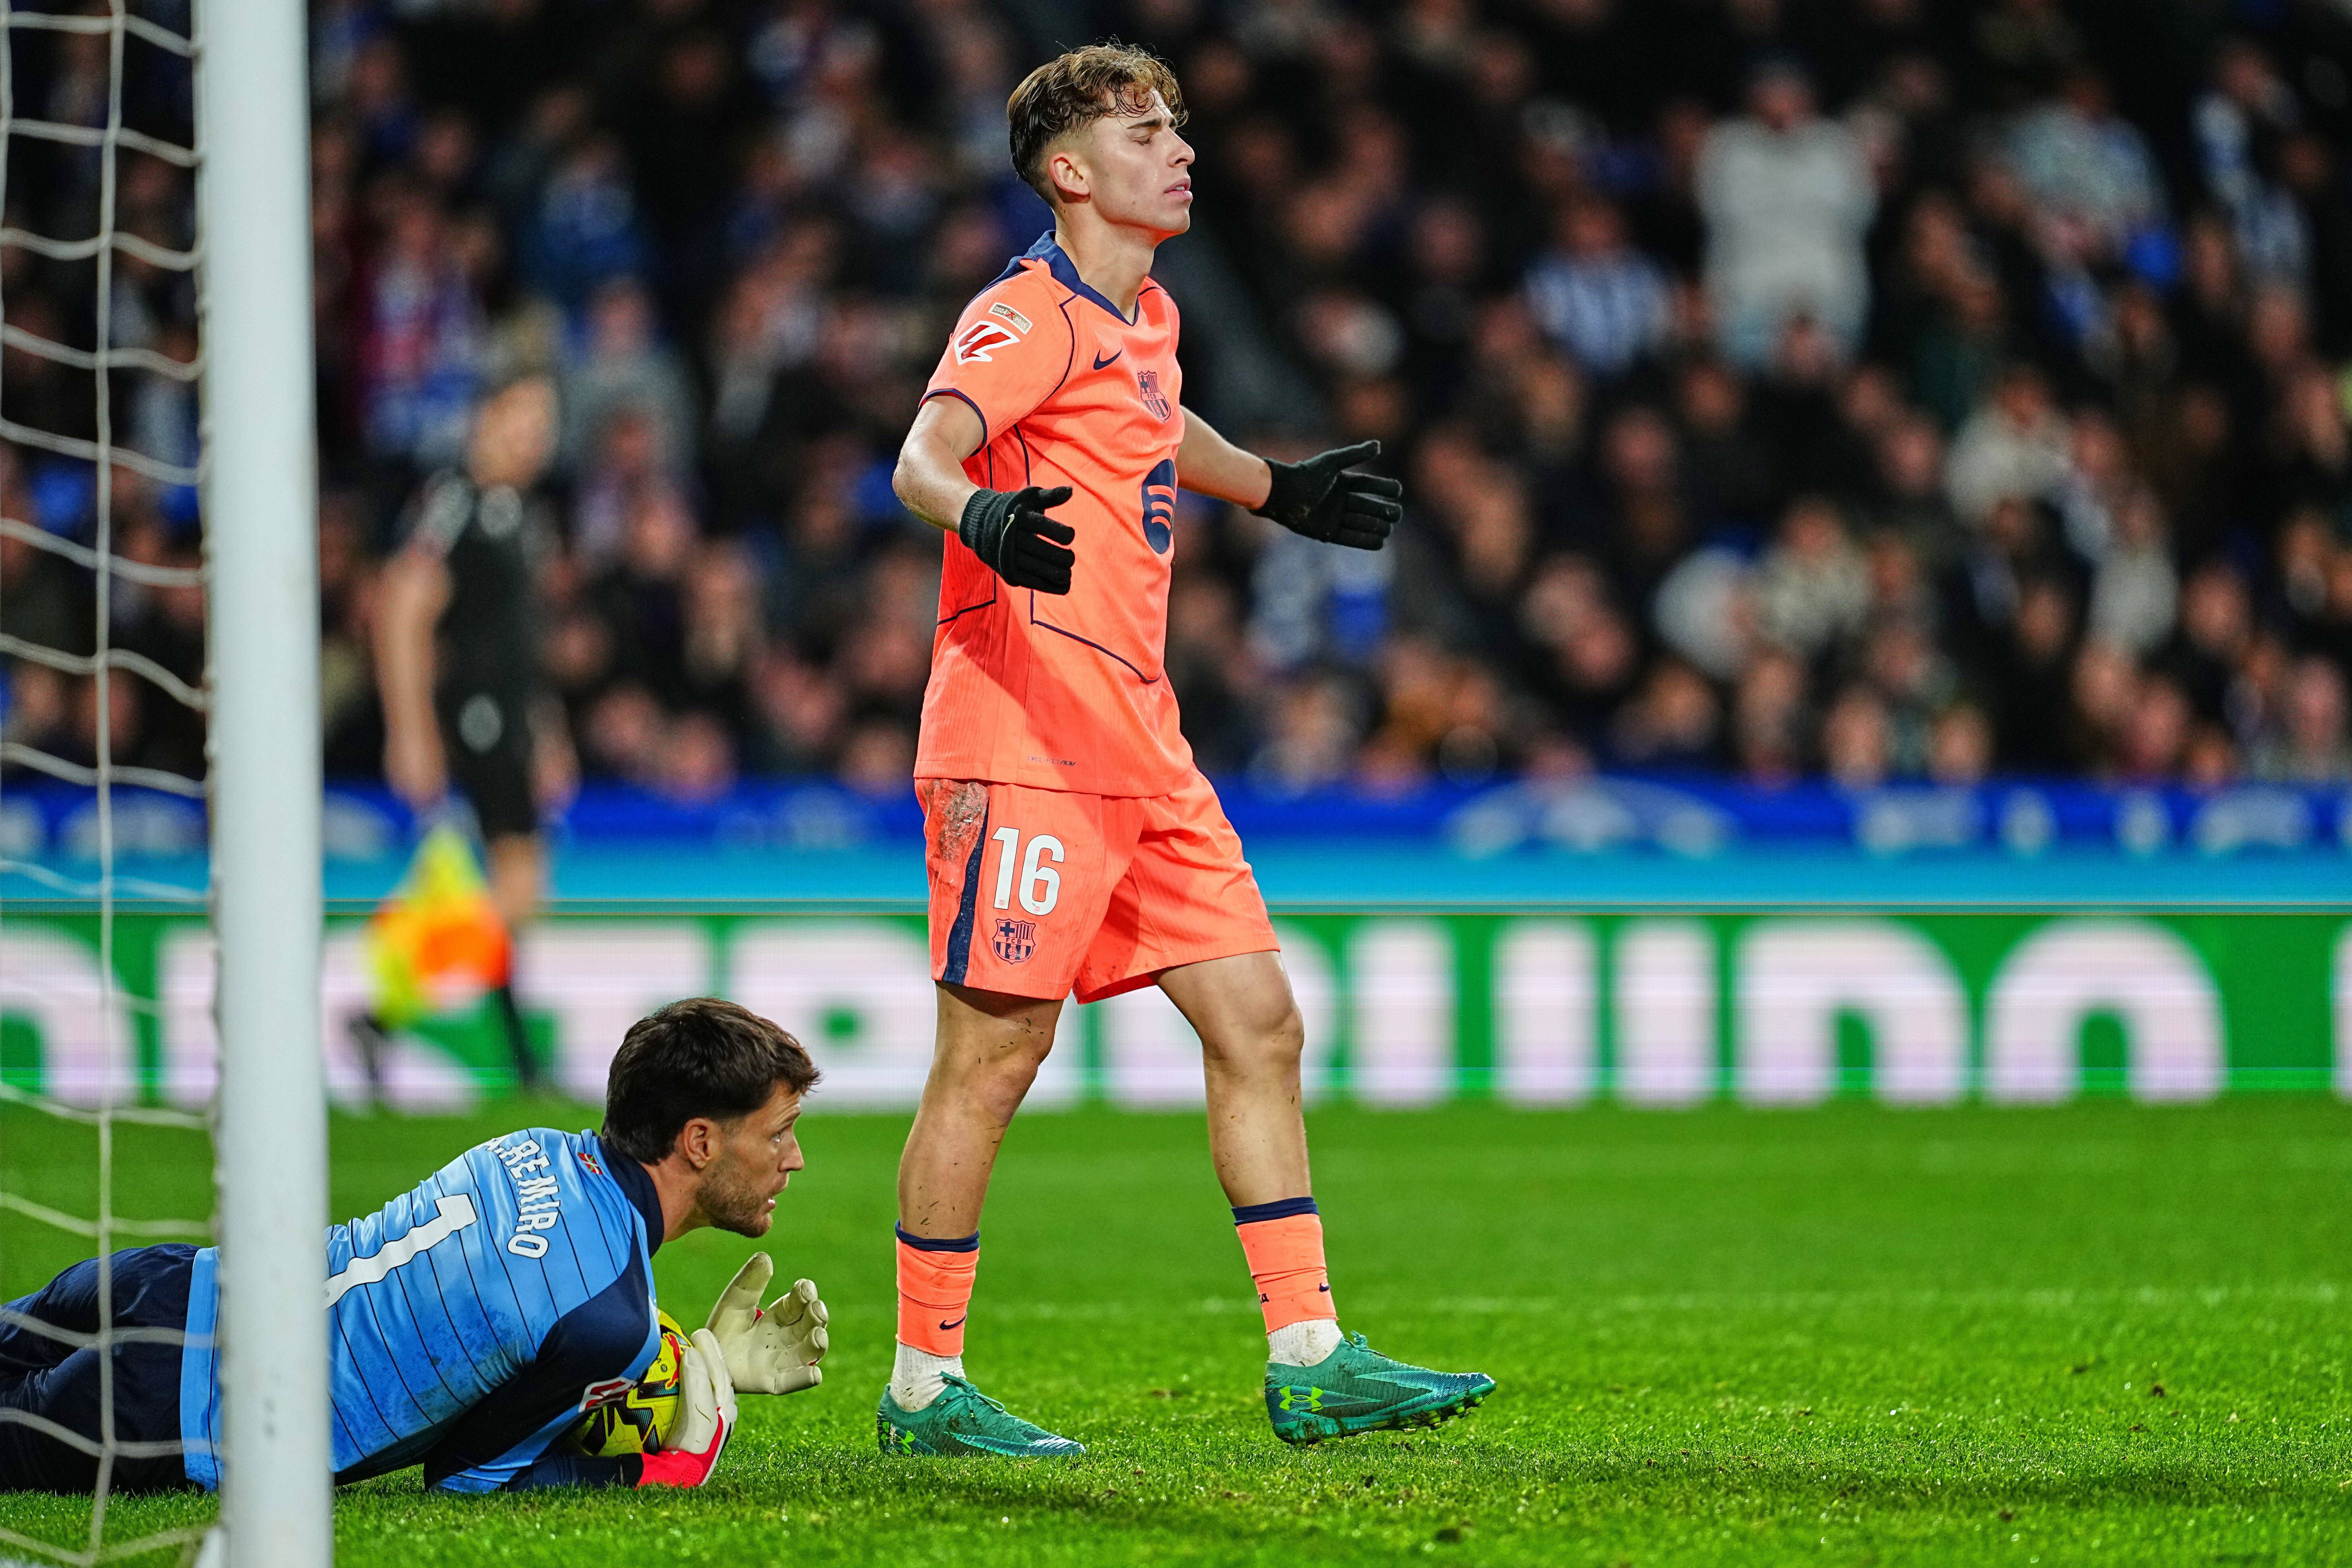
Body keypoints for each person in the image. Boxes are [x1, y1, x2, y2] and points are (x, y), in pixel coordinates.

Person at [884, 42, 1493, 1458]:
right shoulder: (1021, 313)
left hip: (1144, 747)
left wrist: (1275, 487)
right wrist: (974, 517)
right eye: (1148, 132)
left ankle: (1311, 1354)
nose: (1183, 150)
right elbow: (924, 454)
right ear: (1069, 172)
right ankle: (922, 1384)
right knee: (994, 1057)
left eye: (1180, 128)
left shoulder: (1142, 316)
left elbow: (1156, 430)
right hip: (1022, 733)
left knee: (1261, 1023)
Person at [0, 999, 828, 1493]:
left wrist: (678, 1353)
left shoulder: (535, 1148)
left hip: (165, 1283)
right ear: (697, 1142)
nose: (792, 1159)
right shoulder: (609, 1318)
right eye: (779, 1133)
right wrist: (668, 1465)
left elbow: (504, 1308)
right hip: (181, 1405)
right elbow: (468, 1476)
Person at [364, 370, 570, 1090]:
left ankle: (411, 1024)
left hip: (511, 716)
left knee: (507, 889)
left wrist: (547, 728)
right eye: (520, 421)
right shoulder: (455, 503)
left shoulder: (523, 515)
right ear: (486, 420)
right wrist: (411, 729)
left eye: (543, 427)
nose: (533, 440)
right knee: (517, 884)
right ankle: (401, 1017)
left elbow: (524, 638)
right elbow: (401, 607)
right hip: (475, 713)